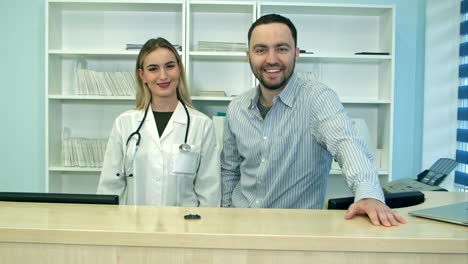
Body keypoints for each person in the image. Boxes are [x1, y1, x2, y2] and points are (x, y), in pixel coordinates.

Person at [221, 14, 405, 226]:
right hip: (241, 226)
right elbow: (229, 171)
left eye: (281, 48)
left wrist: (369, 194)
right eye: (261, 50)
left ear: (296, 53)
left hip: (296, 232)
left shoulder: (318, 99)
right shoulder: (237, 108)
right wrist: (225, 217)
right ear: (249, 56)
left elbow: (347, 143)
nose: (271, 59)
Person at [98, 37, 220, 206]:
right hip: (135, 226)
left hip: (185, 228)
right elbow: (110, 188)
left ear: (179, 69)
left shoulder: (202, 125)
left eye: (170, 66)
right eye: (153, 69)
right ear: (143, 75)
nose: (163, 76)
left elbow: (209, 192)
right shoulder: (125, 124)